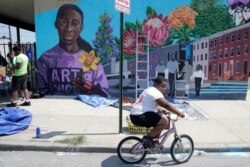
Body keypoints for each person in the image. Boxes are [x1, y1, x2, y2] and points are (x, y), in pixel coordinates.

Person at [37, 4, 109, 97]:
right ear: (56, 24)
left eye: (74, 24)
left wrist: (92, 90)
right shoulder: (45, 59)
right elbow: (43, 93)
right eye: (63, 22)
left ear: (81, 27)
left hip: (85, 110)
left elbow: (105, 93)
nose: (69, 29)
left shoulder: (92, 59)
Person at [130, 76, 185, 148]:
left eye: (165, 87)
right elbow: (166, 104)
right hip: (140, 116)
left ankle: (154, 141)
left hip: (135, 115)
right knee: (164, 121)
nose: (164, 89)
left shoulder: (149, 89)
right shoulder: (154, 91)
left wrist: (162, 111)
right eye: (162, 86)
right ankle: (147, 139)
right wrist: (179, 113)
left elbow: (156, 105)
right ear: (156, 84)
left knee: (162, 119)